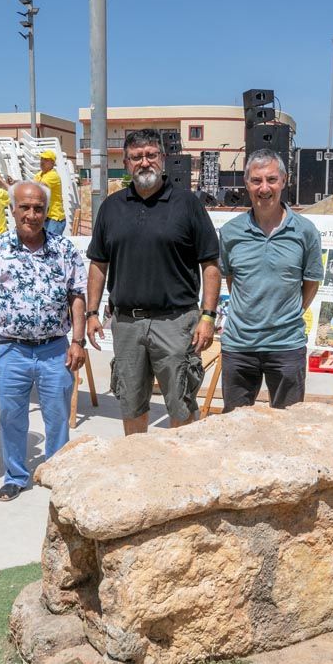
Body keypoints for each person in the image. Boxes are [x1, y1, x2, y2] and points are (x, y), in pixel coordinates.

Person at [85, 128, 221, 435]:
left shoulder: (187, 204)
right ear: (126, 162)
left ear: (162, 158)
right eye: (136, 157)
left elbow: (210, 265)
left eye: (150, 155)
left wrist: (208, 316)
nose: (144, 163)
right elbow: (98, 264)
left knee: (181, 405)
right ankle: (138, 471)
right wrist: (92, 312)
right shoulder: (111, 207)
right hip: (126, 325)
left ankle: (182, 477)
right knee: (131, 404)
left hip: (176, 323)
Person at [0, 181, 87, 501]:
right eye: (25, 207)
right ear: (12, 210)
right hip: (11, 349)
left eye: (38, 208)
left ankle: (57, 472)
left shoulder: (64, 249)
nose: (32, 214)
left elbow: (77, 296)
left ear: (47, 212)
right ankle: (16, 475)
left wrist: (78, 341)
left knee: (58, 416)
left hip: (54, 349)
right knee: (11, 416)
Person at [217, 150, 322, 413]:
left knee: (289, 428)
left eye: (271, 179)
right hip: (239, 347)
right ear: (246, 183)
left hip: (286, 346)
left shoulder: (306, 231)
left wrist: (290, 313)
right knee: (235, 428)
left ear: (284, 180)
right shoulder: (230, 233)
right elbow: (232, 281)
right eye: (256, 180)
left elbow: (310, 283)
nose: (264, 188)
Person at [0, 150, 66, 235]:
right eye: (41, 159)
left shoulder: (52, 175)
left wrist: (2, 181)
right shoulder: (40, 174)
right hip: (46, 217)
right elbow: (31, 184)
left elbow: (38, 188)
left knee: (50, 245)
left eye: (46, 160)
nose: (42, 162)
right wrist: (15, 182)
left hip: (54, 218)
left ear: (52, 163)